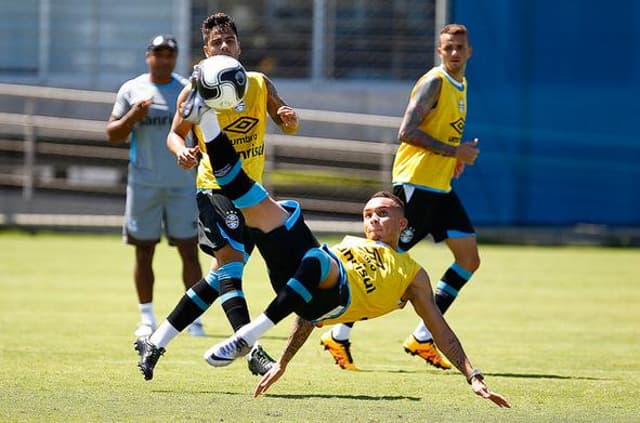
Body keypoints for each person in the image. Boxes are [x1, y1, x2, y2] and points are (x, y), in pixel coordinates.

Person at [135, 106, 510, 408]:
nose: (373, 219)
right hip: (303, 281)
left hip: (333, 290)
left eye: (382, 212)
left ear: (403, 221)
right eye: (367, 214)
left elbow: (440, 330)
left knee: (305, 252)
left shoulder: (413, 274)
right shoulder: (350, 243)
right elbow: (306, 318)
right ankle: (209, 119)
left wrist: (473, 376)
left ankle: (248, 334)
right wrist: (282, 363)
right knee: (255, 197)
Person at [134, 12, 299, 379]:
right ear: (206, 51)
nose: (223, 46)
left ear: (238, 46)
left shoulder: (257, 84)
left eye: (229, 41)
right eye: (216, 43)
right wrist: (181, 151)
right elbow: (175, 134)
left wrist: (289, 119)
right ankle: (251, 348)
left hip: (251, 195)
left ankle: (155, 341)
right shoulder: (195, 91)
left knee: (214, 281)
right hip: (214, 189)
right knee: (231, 265)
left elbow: (286, 122)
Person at [321, 23, 481, 371]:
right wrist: (454, 152)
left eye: (460, 47)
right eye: (448, 47)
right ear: (440, 51)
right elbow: (406, 132)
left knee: (468, 259)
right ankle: (339, 332)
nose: (454, 52)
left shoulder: (462, 84)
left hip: (440, 188)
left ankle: (424, 337)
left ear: (469, 51)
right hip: (416, 186)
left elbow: (441, 132)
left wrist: (452, 159)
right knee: (383, 268)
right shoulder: (434, 82)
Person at [106, 34, 204, 338]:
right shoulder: (132, 89)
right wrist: (134, 115)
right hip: (143, 184)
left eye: (169, 54)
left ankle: (194, 320)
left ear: (175, 58)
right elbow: (112, 134)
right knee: (144, 251)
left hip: (182, 185)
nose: (163, 59)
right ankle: (146, 318)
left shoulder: (187, 88)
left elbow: (201, 131)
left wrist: (198, 154)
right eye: (157, 53)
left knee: (189, 251)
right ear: (148, 55)